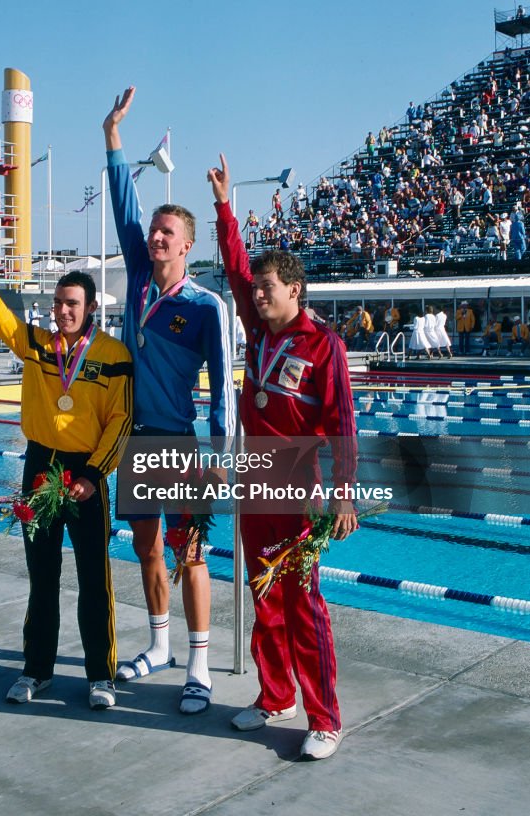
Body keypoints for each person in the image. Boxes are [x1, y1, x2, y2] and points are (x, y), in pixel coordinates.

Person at [207, 153, 358, 762]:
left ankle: (325, 717)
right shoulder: (259, 328)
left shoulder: (325, 346)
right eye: (258, 289)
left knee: (302, 602)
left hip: (299, 483)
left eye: (268, 289)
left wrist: (344, 493)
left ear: (294, 289)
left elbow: (343, 422)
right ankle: (275, 697)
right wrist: (223, 208)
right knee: (264, 593)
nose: (258, 294)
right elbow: (236, 267)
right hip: (253, 480)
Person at [0, 210, 133, 711]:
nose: (62, 311)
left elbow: (119, 421)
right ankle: (37, 670)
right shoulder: (37, 345)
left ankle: (102, 676)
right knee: (43, 576)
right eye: (58, 303)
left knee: (93, 579)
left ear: (91, 307)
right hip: (40, 466)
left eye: (71, 304)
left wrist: (93, 475)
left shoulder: (114, 354)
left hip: (88, 471)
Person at [103, 87, 234, 715]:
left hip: (179, 442)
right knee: (145, 546)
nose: (155, 236)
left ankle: (200, 666)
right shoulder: (135, 276)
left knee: (189, 552)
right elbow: (124, 203)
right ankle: (158, 646)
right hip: (135, 437)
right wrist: (113, 137)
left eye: (168, 232)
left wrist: (220, 453)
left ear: (188, 246)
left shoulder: (206, 307)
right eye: (154, 230)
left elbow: (223, 388)